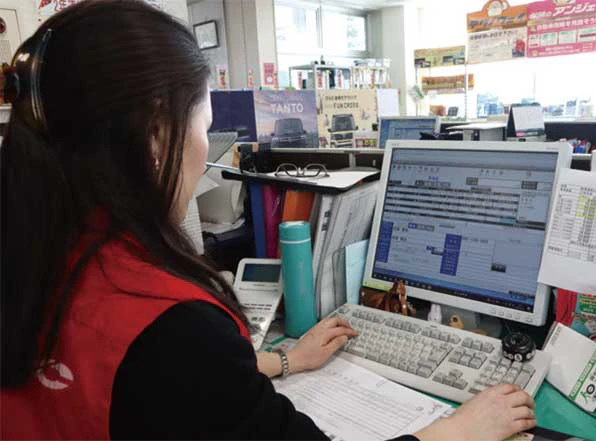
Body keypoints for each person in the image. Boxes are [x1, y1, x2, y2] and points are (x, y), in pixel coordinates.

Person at [0, 1, 536, 439]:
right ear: (157, 136)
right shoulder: (172, 324)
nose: (203, 152)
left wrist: (281, 361)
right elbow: (171, 367)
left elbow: (147, 387)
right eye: (204, 126)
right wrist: (457, 432)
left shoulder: (33, 259)